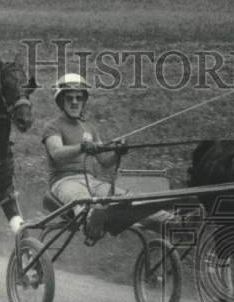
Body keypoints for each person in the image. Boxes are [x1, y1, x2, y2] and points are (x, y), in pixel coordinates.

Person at [42, 73, 168, 240]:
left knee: (129, 199)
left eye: (79, 98)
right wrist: (82, 147)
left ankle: (168, 220)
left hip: (92, 181)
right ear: (61, 101)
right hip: (64, 182)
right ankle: (91, 224)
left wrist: (117, 152)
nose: (74, 102)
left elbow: (104, 162)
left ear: (84, 101)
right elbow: (57, 153)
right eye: (69, 98)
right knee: (84, 201)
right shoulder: (53, 126)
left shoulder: (90, 128)